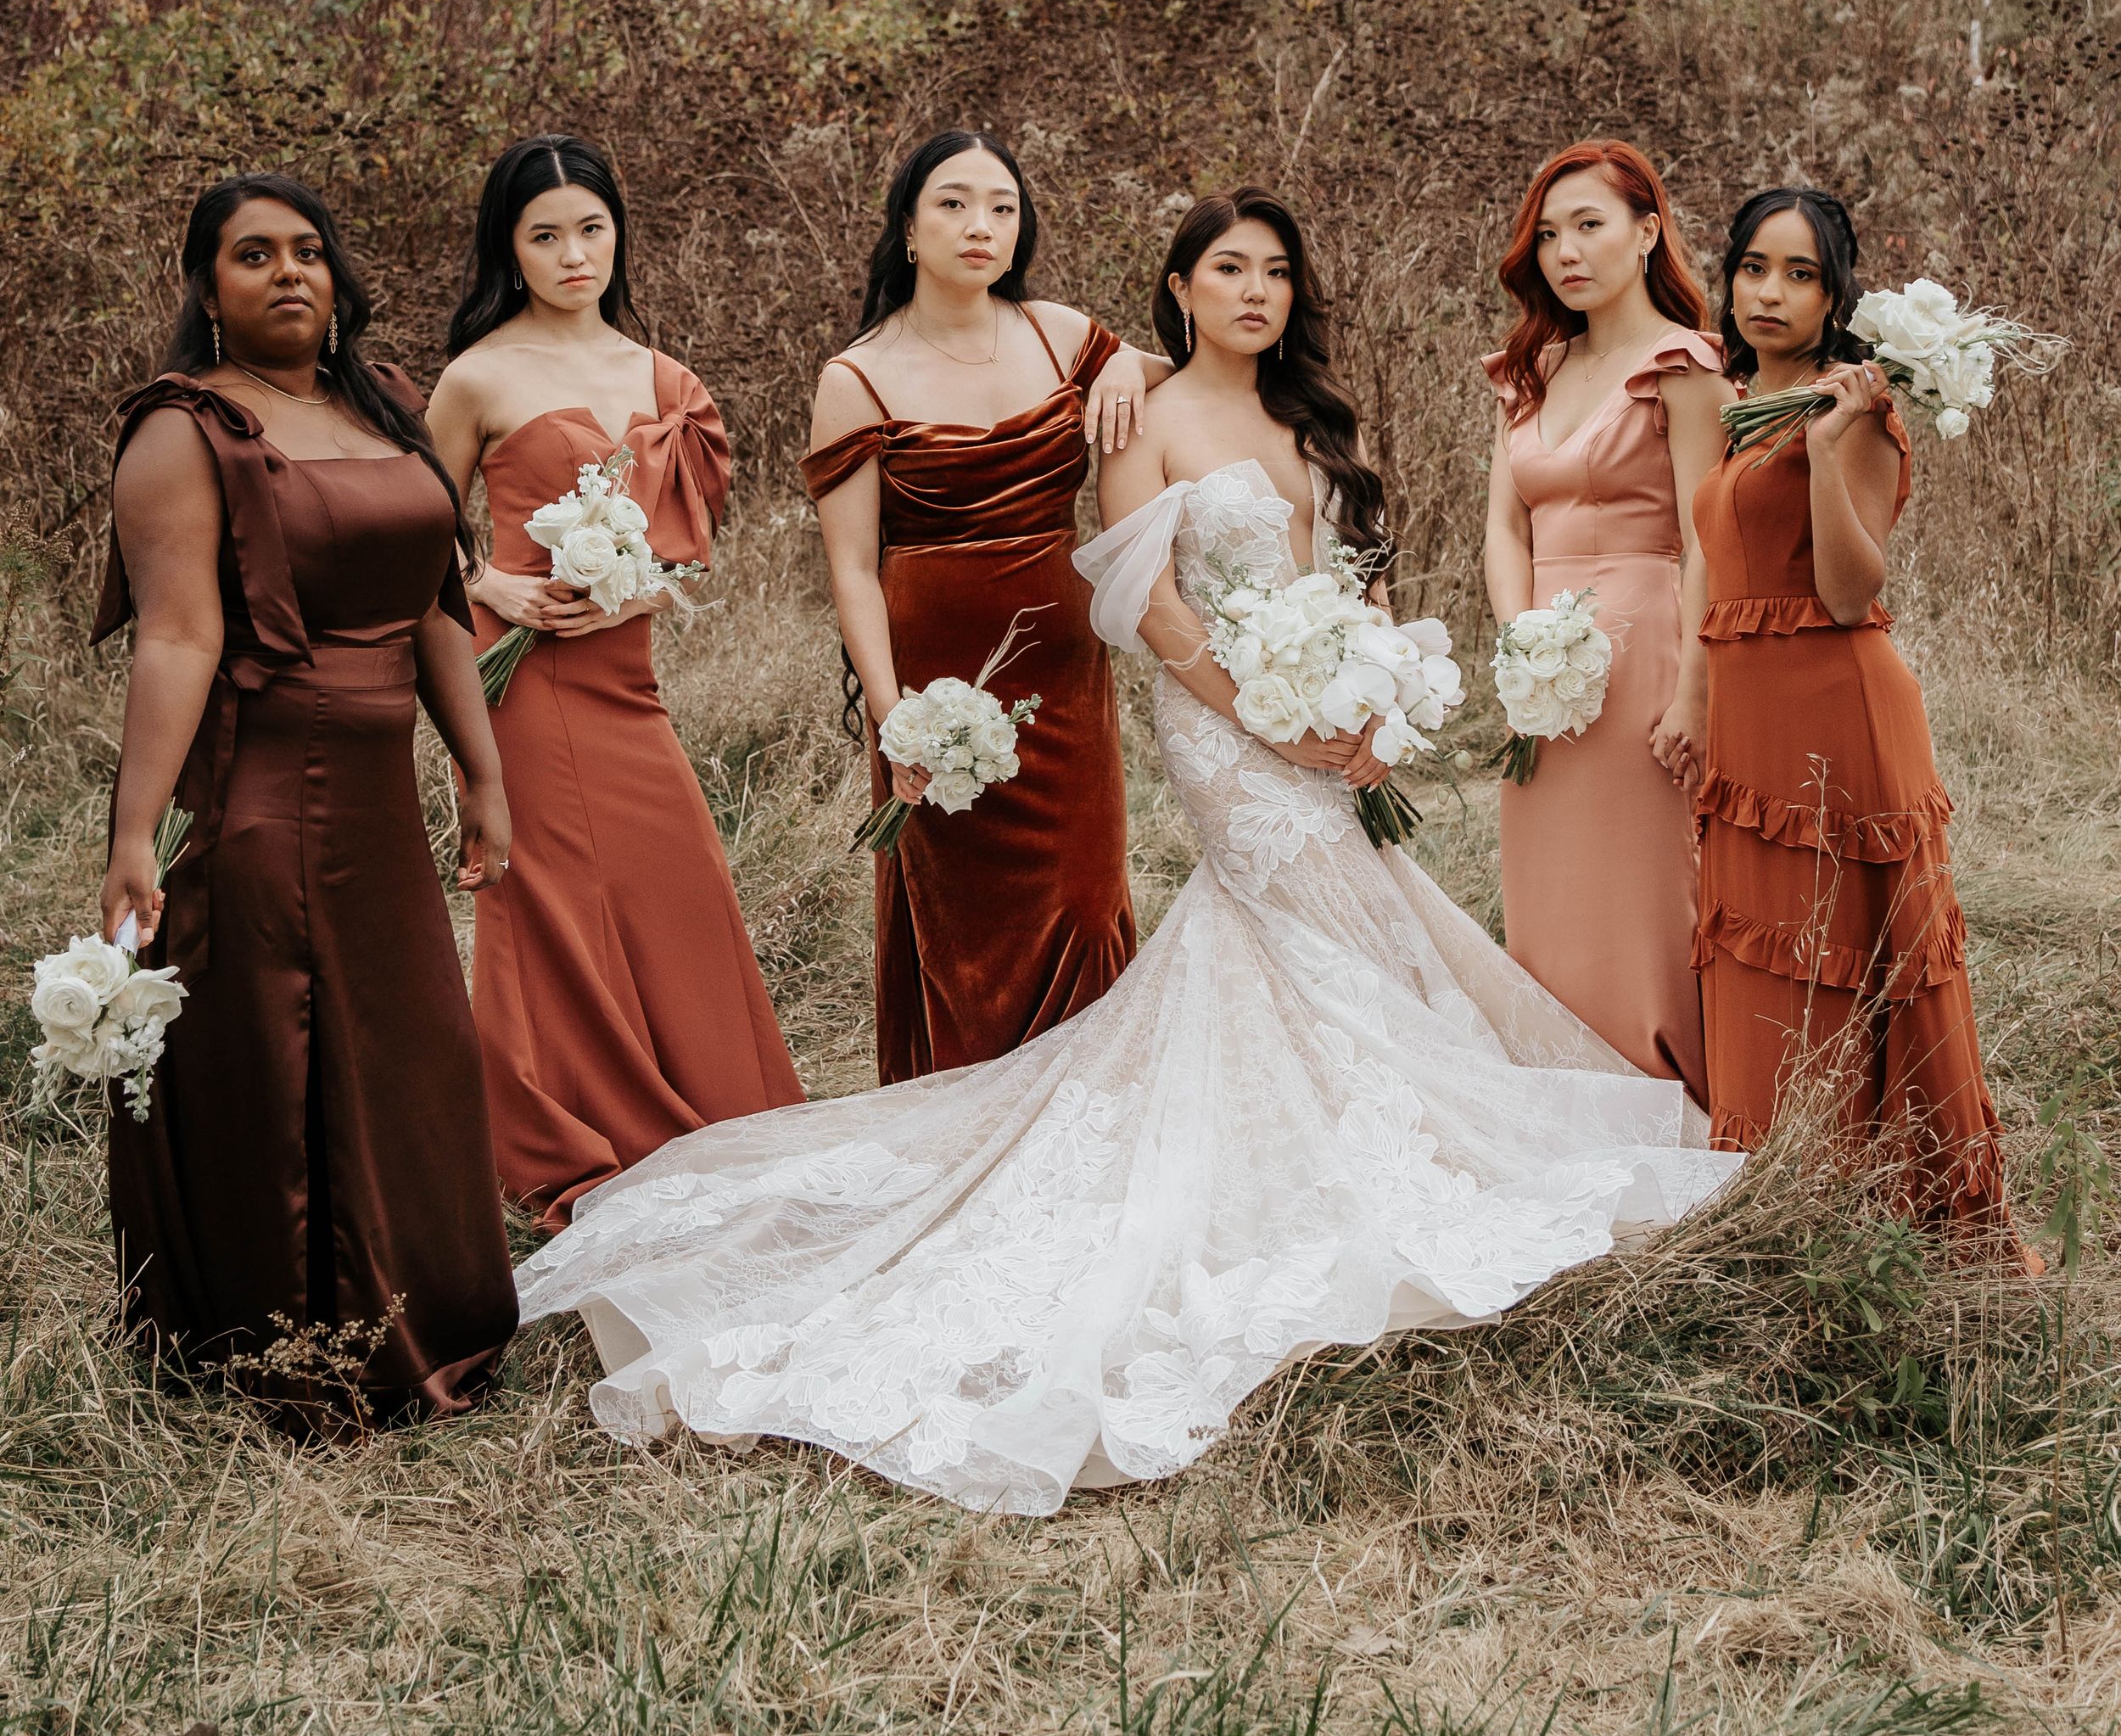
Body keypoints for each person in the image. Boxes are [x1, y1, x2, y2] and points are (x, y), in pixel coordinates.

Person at [513, 187, 1737, 1519]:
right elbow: (1144, 605)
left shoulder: (1317, 415)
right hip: (1225, 726)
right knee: (1313, 915)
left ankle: (1366, 1134)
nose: (1255, 292)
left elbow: (1367, 565)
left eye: (1276, 270)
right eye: (1227, 269)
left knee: (1361, 925)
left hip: (1334, 716)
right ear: (1179, 287)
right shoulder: (1140, 416)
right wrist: (1273, 713)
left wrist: (1375, 696)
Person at [95, 174, 517, 1421]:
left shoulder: (380, 403)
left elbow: (432, 603)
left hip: (382, 796)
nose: (288, 272)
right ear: (207, 287)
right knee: (291, 1056)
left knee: (409, 1048)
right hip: (271, 787)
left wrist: (482, 772)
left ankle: (428, 1309)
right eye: (252, 254)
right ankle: (296, 1342)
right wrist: (136, 833)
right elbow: (176, 637)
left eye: (309, 251)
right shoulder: (185, 426)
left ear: (338, 277)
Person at [427, 134, 802, 1226]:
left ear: (617, 234)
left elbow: (686, 548)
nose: (572, 253)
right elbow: (409, 528)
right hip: (524, 682)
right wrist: (493, 580)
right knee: (544, 901)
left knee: (676, 882)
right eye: (544, 235)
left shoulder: (663, 379)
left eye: (590, 228)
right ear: (511, 248)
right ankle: (567, 1129)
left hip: (626, 682)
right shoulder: (478, 375)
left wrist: (638, 591)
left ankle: (716, 1110)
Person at [1667, 188, 2025, 1242]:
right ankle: (1778, 1201)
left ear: (1836, 298)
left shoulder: (1853, 412)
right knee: (1770, 956)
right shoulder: (1744, 401)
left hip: (1836, 711)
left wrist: (1828, 453)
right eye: (1752, 269)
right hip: (1752, 716)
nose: (1769, 292)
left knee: (1851, 963)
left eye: (1801, 274)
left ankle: (1874, 1216)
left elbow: (1848, 593)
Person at [804, 129, 1161, 1083]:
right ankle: (964, 1126)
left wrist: (1127, 363)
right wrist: (894, 720)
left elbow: (1193, 377)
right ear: (908, 231)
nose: (981, 225)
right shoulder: (856, 378)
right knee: (962, 925)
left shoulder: (1061, 334)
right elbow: (850, 570)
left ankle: (1089, 1121)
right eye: (954, 204)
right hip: (930, 679)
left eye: (1002, 207)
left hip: (1062, 674)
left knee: (1084, 903)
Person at [1482, 141, 1726, 1108]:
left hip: (1648, 645)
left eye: (1589, 226)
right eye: (1547, 235)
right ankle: (1557, 1094)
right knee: (1551, 886)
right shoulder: (1528, 368)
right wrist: (1521, 643)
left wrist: (1694, 692)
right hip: (1541, 670)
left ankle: (1665, 1089)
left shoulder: (1684, 364)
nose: (1565, 253)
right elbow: (1504, 525)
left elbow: (1711, 539)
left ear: (1647, 230)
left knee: (1642, 890)